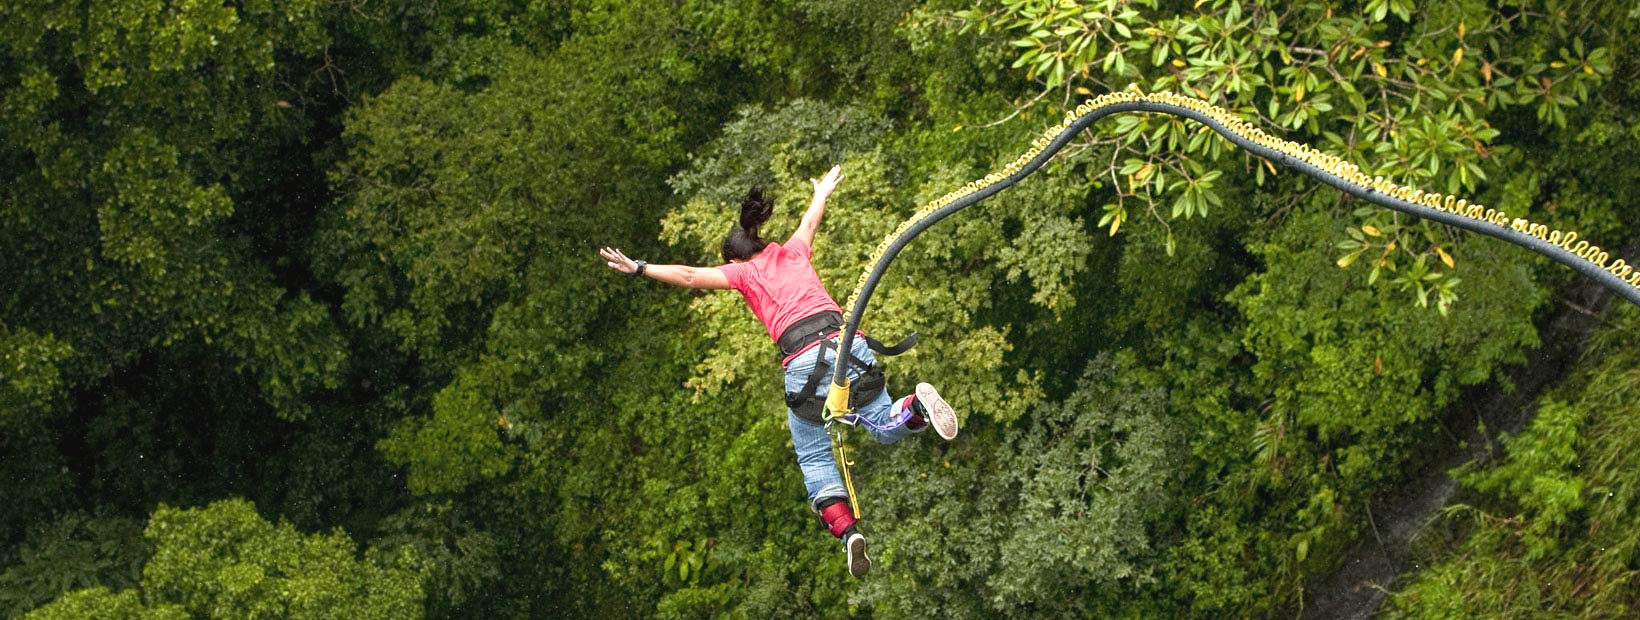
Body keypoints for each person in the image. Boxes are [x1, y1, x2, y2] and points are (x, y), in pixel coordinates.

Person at [598, 164, 958, 578]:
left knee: (814, 454)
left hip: (804, 362)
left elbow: (691, 276)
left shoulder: (743, 271)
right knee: (882, 420)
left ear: (734, 259)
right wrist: (821, 192)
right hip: (848, 345)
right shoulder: (792, 251)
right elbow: (810, 221)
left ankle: (849, 534)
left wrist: (639, 267)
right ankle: (917, 406)